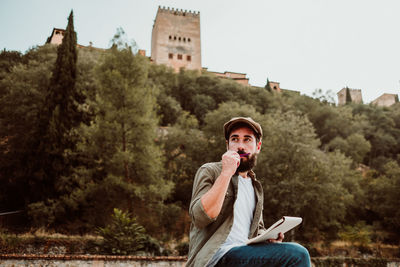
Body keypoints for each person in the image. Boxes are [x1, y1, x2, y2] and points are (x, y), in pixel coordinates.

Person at [187, 117, 311, 267]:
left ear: (257, 147)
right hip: (215, 258)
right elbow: (200, 217)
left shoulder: (255, 187)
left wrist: (269, 238)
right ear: (227, 145)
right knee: (298, 255)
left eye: (247, 140)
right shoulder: (210, 171)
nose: (240, 146)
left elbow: (255, 231)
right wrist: (226, 173)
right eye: (235, 139)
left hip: (244, 254)